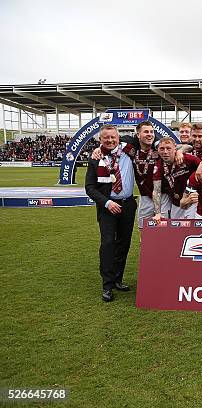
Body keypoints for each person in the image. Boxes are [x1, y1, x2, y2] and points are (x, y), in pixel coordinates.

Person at [85, 125, 137, 302]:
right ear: (100, 140)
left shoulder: (129, 148)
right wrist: (107, 203)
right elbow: (90, 188)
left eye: (113, 137)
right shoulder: (95, 158)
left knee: (124, 244)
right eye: (106, 138)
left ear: (118, 137)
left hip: (128, 204)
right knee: (108, 244)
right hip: (108, 207)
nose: (110, 140)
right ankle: (107, 285)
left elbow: (150, 141)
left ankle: (118, 279)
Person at [152, 137, 201, 220]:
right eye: (162, 149)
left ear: (175, 148)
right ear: (158, 150)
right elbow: (156, 191)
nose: (165, 152)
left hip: (192, 201)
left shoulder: (186, 158)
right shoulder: (158, 166)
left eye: (168, 148)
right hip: (176, 203)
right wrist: (157, 213)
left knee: (192, 228)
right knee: (176, 229)